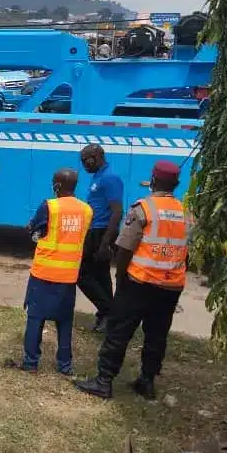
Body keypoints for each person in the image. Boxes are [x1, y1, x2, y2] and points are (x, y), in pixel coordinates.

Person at [75, 160, 189, 400]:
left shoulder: (143, 209)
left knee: (118, 331)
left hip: (139, 283)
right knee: (157, 334)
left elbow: (125, 248)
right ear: (176, 184)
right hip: (171, 286)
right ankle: (147, 382)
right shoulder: (186, 212)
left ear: (153, 180)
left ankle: (103, 381)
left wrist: (120, 278)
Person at [8, 169, 93, 374]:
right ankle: (65, 365)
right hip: (69, 276)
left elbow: (33, 227)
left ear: (57, 186)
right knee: (64, 321)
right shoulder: (86, 210)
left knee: (36, 318)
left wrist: (33, 229)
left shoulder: (50, 206)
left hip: (44, 273)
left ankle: (31, 363)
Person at [79, 145, 123, 332]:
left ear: (97, 156)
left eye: (85, 160)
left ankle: (110, 312)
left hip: (100, 232)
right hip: (94, 231)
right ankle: (106, 317)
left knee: (81, 275)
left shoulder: (110, 178)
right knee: (101, 276)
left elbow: (117, 211)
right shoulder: (98, 177)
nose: (84, 165)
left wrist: (106, 243)